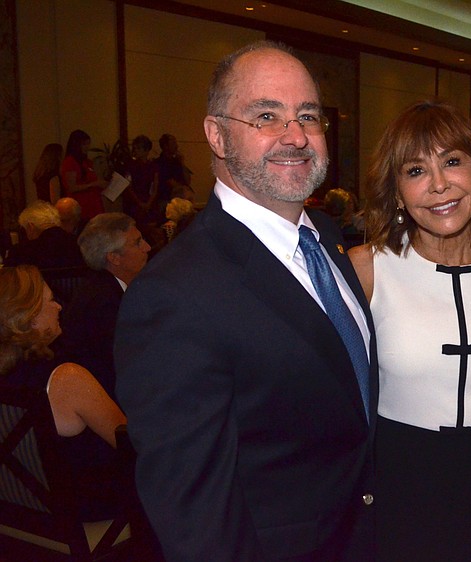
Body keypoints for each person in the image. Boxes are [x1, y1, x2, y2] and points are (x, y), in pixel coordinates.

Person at [114, 40, 377, 561]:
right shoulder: (173, 293)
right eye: (266, 116)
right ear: (216, 135)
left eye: (308, 116)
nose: (296, 136)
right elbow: (196, 516)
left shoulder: (325, 237)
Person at [348, 101, 471, 562]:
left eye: (452, 161)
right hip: (397, 490)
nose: (439, 184)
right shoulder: (366, 269)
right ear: (396, 192)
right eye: (415, 171)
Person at [0, 265, 127, 519]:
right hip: (92, 519)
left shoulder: (12, 378)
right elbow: (131, 446)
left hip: (19, 522)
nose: (59, 306)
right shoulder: (66, 378)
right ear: (29, 318)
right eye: (50, 300)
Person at [60, 213, 150, 400]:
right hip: (104, 399)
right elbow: (128, 363)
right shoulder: (104, 302)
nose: (147, 247)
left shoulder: (104, 286)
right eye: (137, 243)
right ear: (114, 258)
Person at [4, 200, 84, 269]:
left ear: (31, 227)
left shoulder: (21, 252)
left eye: (25, 229)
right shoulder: (79, 244)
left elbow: (7, 279)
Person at [61, 129, 106, 223]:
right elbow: (72, 187)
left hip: (94, 205)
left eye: (88, 144)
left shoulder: (87, 162)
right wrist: (93, 184)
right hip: (82, 207)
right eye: (84, 144)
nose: (87, 147)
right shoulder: (70, 162)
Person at [123, 135, 159, 224]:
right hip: (134, 202)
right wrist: (139, 202)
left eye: (139, 148)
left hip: (149, 199)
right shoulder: (130, 165)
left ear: (146, 150)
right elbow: (128, 186)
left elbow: (155, 187)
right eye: (135, 148)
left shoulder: (153, 166)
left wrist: (149, 202)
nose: (136, 151)